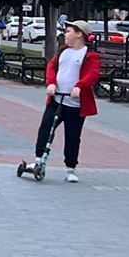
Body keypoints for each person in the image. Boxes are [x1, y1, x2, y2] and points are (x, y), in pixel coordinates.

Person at [24, 20, 101, 183]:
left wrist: (80, 86)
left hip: (76, 105)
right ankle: (39, 159)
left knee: (73, 136)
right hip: (57, 100)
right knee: (45, 127)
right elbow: (51, 67)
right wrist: (51, 82)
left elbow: (92, 74)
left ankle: (70, 168)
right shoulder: (62, 51)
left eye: (68, 31)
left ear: (79, 34)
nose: (65, 34)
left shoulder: (89, 55)